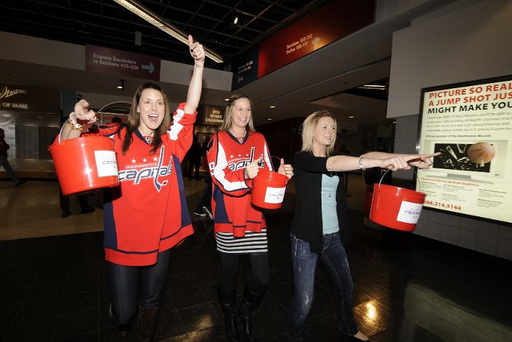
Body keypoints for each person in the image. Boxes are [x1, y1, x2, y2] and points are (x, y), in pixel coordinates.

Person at [58, 35, 205, 341]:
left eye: (160, 102)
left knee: (151, 301)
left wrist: (199, 64)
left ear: (165, 109)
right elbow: (67, 147)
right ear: (138, 106)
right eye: (147, 101)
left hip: (162, 239)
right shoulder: (115, 137)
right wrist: (74, 121)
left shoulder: (172, 142)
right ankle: (121, 317)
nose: (154, 107)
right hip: (124, 241)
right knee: (124, 314)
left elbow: (191, 106)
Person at [285, 110, 439, 342]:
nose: (330, 131)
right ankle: (293, 337)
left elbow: (367, 154)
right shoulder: (302, 158)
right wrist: (378, 162)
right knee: (305, 301)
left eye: (333, 127)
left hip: (333, 237)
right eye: (325, 126)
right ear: (311, 131)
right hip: (306, 238)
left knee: (346, 287)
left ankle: (348, 328)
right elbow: (332, 164)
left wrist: (409, 157)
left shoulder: (336, 156)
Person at [206, 94, 293, 341]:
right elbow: (219, 179)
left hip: (254, 215)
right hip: (228, 216)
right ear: (230, 112)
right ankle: (229, 313)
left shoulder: (259, 139)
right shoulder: (218, 139)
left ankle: (245, 309)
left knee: (262, 277)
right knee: (228, 274)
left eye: (248, 109)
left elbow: (265, 175)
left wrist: (280, 175)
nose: (244, 114)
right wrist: (245, 174)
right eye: (239, 109)